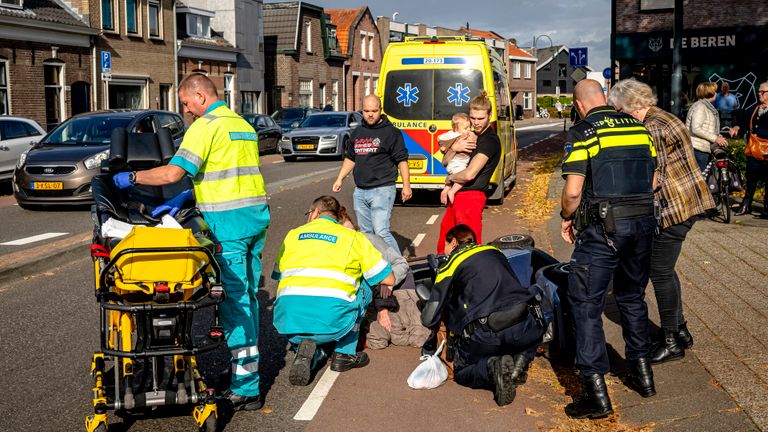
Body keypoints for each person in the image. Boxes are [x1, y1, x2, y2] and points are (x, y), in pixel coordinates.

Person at [112, 73, 269, 410]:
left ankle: (247, 386)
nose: (186, 110)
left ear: (200, 95)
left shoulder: (205, 126)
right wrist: (189, 196)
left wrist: (131, 178)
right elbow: (227, 172)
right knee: (250, 299)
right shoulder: (241, 124)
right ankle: (249, 374)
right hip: (255, 219)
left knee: (236, 303)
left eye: (186, 103)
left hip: (229, 226)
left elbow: (171, 173)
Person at [559, 79, 658, 419]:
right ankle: (643, 375)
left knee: (585, 303)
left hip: (604, 231)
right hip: (644, 226)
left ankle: (595, 394)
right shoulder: (639, 128)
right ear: (604, 98)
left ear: (579, 104)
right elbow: (654, 179)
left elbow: (573, 192)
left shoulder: (584, 132)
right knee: (632, 297)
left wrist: (566, 217)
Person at [609, 78, 715, 365]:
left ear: (631, 106)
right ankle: (680, 330)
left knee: (659, 272)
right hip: (688, 201)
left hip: (674, 207)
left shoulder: (651, 127)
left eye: (618, 109)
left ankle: (670, 340)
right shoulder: (663, 116)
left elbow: (654, 177)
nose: (617, 115)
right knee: (666, 269)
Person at [271, 196, 395, 386]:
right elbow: (388, 279)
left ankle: (308, 349)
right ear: (338, 216)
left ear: (315, 213)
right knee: (366, 284)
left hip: (289, 324)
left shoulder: (293, 234)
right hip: (333, 323)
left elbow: (278, 274)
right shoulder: (353, 237)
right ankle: (344, 354)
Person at [421, 224, 545, 406]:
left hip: (487, 332)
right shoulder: (495, 251)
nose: (444, 250)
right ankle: (520, 364)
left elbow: (429, 317)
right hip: (524, 324)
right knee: (532, 323)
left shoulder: (451, 263)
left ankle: (492, 368)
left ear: (454, 242)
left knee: (462, 372)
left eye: (445, 245)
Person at [338, 208, 430, 350]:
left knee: (419, 334)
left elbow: (401, 263)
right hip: (370, 297)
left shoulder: (371, 240)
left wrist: (389, 282)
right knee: (381, 337)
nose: (353, 237)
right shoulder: (334, 253)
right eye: (346, 235)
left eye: (353, 232)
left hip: (397, 287)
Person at [332, 94, 412, 252]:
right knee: (366, 233)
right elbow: (351, 158)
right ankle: (377, 267)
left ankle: (399, 266)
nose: (370, 114)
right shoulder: (357, 132)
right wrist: (340, 178)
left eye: (374, 111)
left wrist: (406, 186)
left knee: (381, 231)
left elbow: (402, 160)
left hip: (382, 189)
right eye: (366, 111)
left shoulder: (391, 133)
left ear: (380, 110)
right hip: (360, 191)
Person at [436, 91, 501, 253]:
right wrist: (453, 149)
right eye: (473, 118)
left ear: (490, 115)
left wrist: (449, 180)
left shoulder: (489, 141)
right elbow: (444, 162)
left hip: (471, 197)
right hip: (458, 195)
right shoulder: (469, 136)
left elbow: (469, 174)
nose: (476, 123)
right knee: (446, 240)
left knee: (468, 246)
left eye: (481, 118)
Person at [730, 81, 768, 217]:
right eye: (759, 91)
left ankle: (766, 210)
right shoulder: (755, 108)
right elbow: (744, 123)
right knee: (751, 178)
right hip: (754, 150)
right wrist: (737, 128)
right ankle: (746, 205)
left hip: (767, 151)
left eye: (762, 92)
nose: (759, 94)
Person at [686, 82, 729, 172]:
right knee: (699, 181)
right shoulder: (700, 106)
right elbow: (696, 128)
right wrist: (715, 138)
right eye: (715, 91)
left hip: (701, 149)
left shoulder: (705, 106)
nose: (716, 93)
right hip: (698, 150)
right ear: (710, 93)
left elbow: (705, 127)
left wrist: (717, 135)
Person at [438, 113, 477, 205]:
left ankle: (446, 189)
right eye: (466, 128)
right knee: (464, 178)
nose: (469, 130)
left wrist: (444, 147)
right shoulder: (462, 136)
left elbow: (440, 138)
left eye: (469, 127)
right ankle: (452, 191)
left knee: (454, 179)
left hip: (451, 164)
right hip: (458, 164)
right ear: (456, 129)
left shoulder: (450, 134)